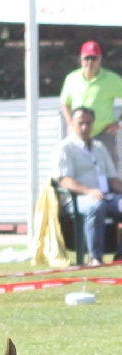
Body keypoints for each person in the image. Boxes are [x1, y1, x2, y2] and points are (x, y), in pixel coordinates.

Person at [52, 106, 122, 265]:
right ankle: (95, 257)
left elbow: (112, 179)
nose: (85, 127)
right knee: (95, 206)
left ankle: (120, 256)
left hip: (104, 195)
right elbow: (64, 180)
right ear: (72, 124)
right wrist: (88, 191)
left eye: (88, 123)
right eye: (81, 123)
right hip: (77, 198)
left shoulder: (99, 147)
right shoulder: (64, 148)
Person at [60, 40, 122, 170]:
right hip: (77, 134)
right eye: (86, 58)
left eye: (94, 58)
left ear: (100, 59)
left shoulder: (112, 79)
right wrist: (70, 122)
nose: (90, 62)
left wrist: (119, 124)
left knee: (109, 171)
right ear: (80, 59)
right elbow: (65, 103)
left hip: (103, 134)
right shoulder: (72, 78)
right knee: (75, 169)